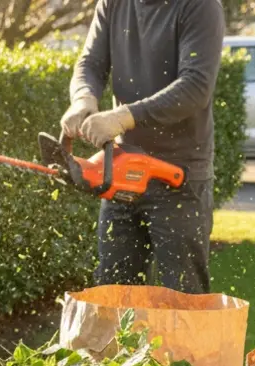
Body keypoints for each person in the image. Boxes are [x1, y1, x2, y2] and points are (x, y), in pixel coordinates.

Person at [61, 0, 225, 294]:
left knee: (185, 300)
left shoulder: (199, 6)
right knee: (113, 296)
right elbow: (90, 63)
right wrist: (83, 99)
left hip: (179, 175)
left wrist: (124, 117)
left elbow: (195, 86)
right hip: (125, 171)